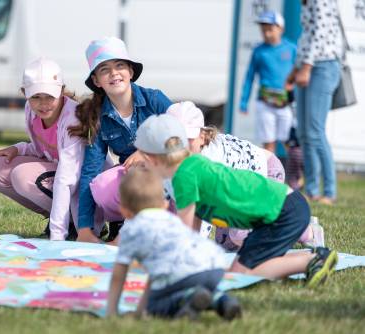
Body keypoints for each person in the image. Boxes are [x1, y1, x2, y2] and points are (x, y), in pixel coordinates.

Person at [133, 114, 338, 286]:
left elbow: (184, 235)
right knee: (238, 269)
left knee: (240, 275)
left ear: (152, 159)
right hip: (280, 209)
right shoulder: (190, 166)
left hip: (282, 212)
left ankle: (313, 260)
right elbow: (193, 231)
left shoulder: (183, 177)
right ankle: (313, 257)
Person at [167, 101, 323, 251]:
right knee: (227, 245)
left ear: (202, 136)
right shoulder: (172, 162)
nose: (182, 147)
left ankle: (303, 230)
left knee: (241, 235)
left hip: (267, 171)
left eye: (188, 139)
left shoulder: (209, 160)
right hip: (236, 190)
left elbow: (201, 216)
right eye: (176, 141)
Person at [68, 37, 172, 243]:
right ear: (96, 80)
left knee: (139, 173)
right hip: (137, 177)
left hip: (171, 172)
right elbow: (90, 170)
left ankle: (138, 230)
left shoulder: (155, 99)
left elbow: (184, 136)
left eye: (120, 66)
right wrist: (84, 229)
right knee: (100, 186)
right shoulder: (98, 116)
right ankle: (125, 221)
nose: (114, 73)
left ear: (131, 72)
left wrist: (146, 152)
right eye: (104, 69)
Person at [106, 167, 241, 319]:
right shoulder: (172, 220)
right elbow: (156, 273)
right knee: (184, 282)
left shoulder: (131, 229)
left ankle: (187, 298)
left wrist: (112, 310)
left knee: (155, 306)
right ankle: (221, 299)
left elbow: (119, 273)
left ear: (124, 211)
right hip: (214, 266)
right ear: (164, 204)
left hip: (183, 274)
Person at [0, 57, 83, 241]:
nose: (43, 104)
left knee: (22, 175)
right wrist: (19, 148)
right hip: (58, 176)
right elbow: (45, 149)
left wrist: (57, 235)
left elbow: (66, 177)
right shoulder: (31, 110)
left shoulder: (73, 119)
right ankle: (63, 217)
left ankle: (76, 224)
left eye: (49, 96)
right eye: (35, 97)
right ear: (25, 93)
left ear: (61, 91)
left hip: (79, 187)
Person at [286, 0, 342, 205]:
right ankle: (310, 190)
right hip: (308, 66)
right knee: (304, 132)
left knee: (315, 131)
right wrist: (295, 70)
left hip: (323, 66)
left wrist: (306, 67)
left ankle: (329, 191)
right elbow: (306, 36)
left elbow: (320, 31)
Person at [239, 10, 297, 153]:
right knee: (268, 143)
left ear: (280, 29)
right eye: (263, 30)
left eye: (270, 29)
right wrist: (244, 101)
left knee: (290, 141)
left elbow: (299, 72)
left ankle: (295, 175)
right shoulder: (259, 51)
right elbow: (249, 76)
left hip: (287, 104)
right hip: (265, 103)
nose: (267, 33)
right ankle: (269, 174)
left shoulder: (291, 49)